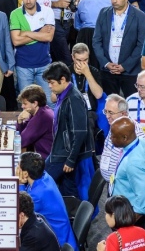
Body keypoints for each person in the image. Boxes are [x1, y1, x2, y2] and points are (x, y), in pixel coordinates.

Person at [43, 62, 94, 197]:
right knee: (68, 188)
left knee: (42, 181)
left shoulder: (73, 99)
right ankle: (72, 209)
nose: (49, 86)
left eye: (52, 83)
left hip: (64, 154)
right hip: (62, 150)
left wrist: (71, 159)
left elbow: (80, 132)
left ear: (63, 79)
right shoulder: (63, 95)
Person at [92, 0, 145, 97]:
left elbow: (142, 44)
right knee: (109, 103)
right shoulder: (103, 13)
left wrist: (125, 66)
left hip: (130, 71)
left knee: (132, 102)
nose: (114, 0)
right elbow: (96, 41)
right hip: (108, 70)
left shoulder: (139, 16)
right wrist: (106, 63)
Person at [18, 152, 76, 248]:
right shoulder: (44, 175)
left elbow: (21, 207)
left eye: (18, 167)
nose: (17, 169)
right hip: (62, 231)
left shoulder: (37, 195)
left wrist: (20, 183)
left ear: (25, 173)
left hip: (58, 239)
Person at [10, 0, 54, 100]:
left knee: (49, 101)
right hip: (23, 65)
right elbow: (16, 41)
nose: (28, 1)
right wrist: (40, 32)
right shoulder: (15, 14)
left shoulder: (47, 11)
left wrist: (26, 33)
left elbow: (49, 37)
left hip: (44, 64)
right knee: (26, 103)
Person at [108, 117, 145, 221]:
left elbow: (143, 195)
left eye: (113, 136)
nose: (111, 138)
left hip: (127, 213)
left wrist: (129, 223)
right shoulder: (142, 142)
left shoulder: (133, 163)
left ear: (125, 137)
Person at [99, 95, 145, 182]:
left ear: (123, 114)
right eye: (106, 111)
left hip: (124, 185)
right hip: (112, 183)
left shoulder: (135, 132)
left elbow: (141, 163)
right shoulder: (115, 124)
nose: (107, 116)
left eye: (111, 112)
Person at [16, 85, 54, 159]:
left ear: (35, 103)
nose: (22, 106)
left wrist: (19, 120)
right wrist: (20, 121)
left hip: (47, 159)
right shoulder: (42, 110)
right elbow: (21, 133)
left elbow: (22, 141)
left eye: (25, 104)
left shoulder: (41, 117)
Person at [70, 43, 104, 115]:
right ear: (73, 57)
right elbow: (53, 98)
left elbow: (98, 95)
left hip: (89, 111)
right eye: (79, 60)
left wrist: (87, 73)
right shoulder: (66, 71)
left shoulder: (94, 71)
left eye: (85, 60)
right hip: (71, 110)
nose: (83, 63)